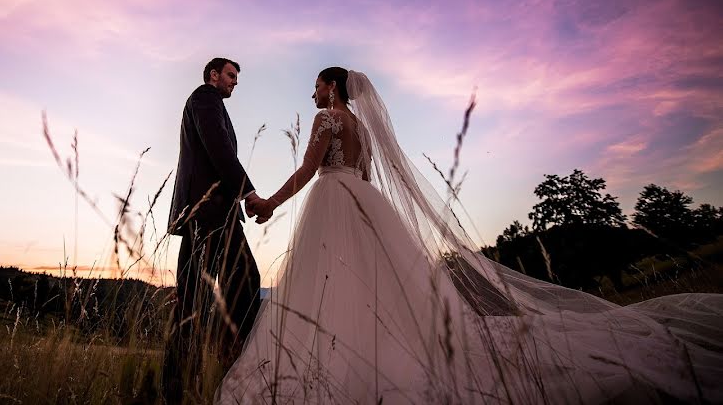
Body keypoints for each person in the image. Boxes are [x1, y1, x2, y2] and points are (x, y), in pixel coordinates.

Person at [217, 67, 723, 404]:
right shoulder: (365, 131)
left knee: (326, 285)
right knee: (375, 287)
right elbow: (366, 178)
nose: (312, 93)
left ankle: (333, 365)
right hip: (363, 205)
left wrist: (268, 203)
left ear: (331, 87)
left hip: (332, 202)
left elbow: (309, 169)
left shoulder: (326, 117)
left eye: (317, 86)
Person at [163, 57, 263, 402]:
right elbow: (219, 150)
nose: (235, 82)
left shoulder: (209, 103)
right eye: (231, 75)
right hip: (211, 213)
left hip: (204, 214)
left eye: (236, 77)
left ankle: (177, 386)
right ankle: (233, 355)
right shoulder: (205, 98)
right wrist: (248, 193)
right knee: (247, 280)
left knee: (191, 298)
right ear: (213, 75)